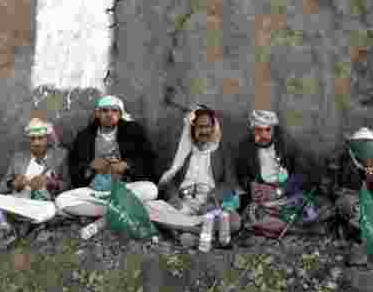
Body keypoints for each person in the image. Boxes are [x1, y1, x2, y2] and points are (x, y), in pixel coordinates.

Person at [234, 109, 334, 239]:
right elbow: (242, 177)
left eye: (267, 130)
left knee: (322, 207)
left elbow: (302, 174)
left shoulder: (287, 144)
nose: (263, 134)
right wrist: (252, 186)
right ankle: (299, 229)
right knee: (252, 216)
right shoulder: (245, 149)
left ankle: (290, 227)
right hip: (265, 203)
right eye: (258, 130)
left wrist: (280, 191)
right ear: (252, 130)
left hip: (288, 196)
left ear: (274, 129)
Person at [148, 105, 240, 243]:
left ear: (213, 127)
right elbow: (169, 179)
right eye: (199, 127)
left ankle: (184, 231)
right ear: (192, 129)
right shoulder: (181, 151)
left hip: (209, 206)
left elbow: (230, 183)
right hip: (183, 205)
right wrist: (173, 197)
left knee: (234, 222)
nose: (204, 131)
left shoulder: (222, 151)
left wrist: (212, 199)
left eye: (207, 126)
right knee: (149, 209)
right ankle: (199, 233)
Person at [59, 95, 160, 218]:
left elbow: (149, 160)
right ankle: (121, 211)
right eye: (105, 110)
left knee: (151, 189)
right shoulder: (84, 136)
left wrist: (127, 165)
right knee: (62, 200)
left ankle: (107, 212)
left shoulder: (133, 131)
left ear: (120, 113)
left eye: (114, 110)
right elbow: (74, 168)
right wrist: (91, 166)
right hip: (96, 193)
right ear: (98, 113)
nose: (109, 114)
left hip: (125, 189)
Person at [0, 118, 71, 243]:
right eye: (33, 139)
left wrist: (50, 182)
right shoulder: (18, 158)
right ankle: (9, 230)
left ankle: (19, 227)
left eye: (40, 138)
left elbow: (68, 186)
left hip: (43, 205)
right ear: (29, 140)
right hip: (19, 202)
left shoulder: (60, 156)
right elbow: (1, 188)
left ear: (47, 139)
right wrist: (14, 184)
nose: (36, 142)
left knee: (50, 210)